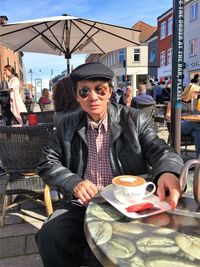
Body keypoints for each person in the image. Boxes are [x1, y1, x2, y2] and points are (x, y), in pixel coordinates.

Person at [36, 62, 184, 267]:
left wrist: (167, 171)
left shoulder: (134, 119)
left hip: (129, 204)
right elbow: (46, 161)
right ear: (77, 96)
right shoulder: (66, 124)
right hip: (83, 206)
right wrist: (73, 182)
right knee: (49, 235)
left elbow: (160, 149)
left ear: (110, 92)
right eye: (85, 91)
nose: (93, 97)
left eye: (100, 89)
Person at [166, 83, 200, 157]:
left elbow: (197, 113)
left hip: (192, 126)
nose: (199, 94)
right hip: (180, 125)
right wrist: (175, 120)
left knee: (198, 133)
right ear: (191, 91)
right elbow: (168, 115)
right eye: (197, 92)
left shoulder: (195, 102)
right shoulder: (176, 101)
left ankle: (199, 160)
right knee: (192, 123)